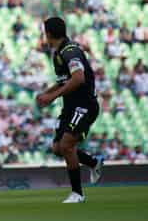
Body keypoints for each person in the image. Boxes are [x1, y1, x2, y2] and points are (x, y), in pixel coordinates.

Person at [36, 17, 104, 203]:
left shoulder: (70, 51)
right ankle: (93, 162)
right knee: (58, 148)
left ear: (48, 34)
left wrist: (53, 96)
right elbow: (64, 81)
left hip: (84, 106)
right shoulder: (58, 53)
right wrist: (46, 93)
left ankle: (77, 194)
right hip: (70, 106)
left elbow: (78, 78)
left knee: (66, 145)